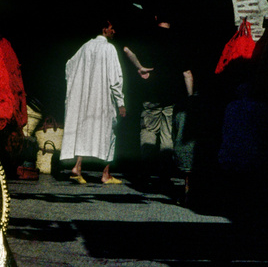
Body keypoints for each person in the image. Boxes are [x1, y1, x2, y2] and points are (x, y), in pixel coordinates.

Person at [125, 14, 194, 190]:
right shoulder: (179, 40)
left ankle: (145, 172)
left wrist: (139, 67)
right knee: (167, 136)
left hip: (150, 94)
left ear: (156, 18)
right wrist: (190, 97)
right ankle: (164, 174)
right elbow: (187, 73)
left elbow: (127, 49)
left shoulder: (147, 35)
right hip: (170, 96)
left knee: (148, 131)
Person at [59, 19, 126, 185]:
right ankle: (106, 174)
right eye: (112, 28)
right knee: (110, 132)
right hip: (103, 101)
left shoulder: (85, 47)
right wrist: (120, 102)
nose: (114, 31)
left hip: (87, 100)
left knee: (85, 130)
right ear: (104, 29)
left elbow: (69, 65)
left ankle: (78, 167)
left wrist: (81, 87)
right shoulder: (109, 49)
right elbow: (115, 79)